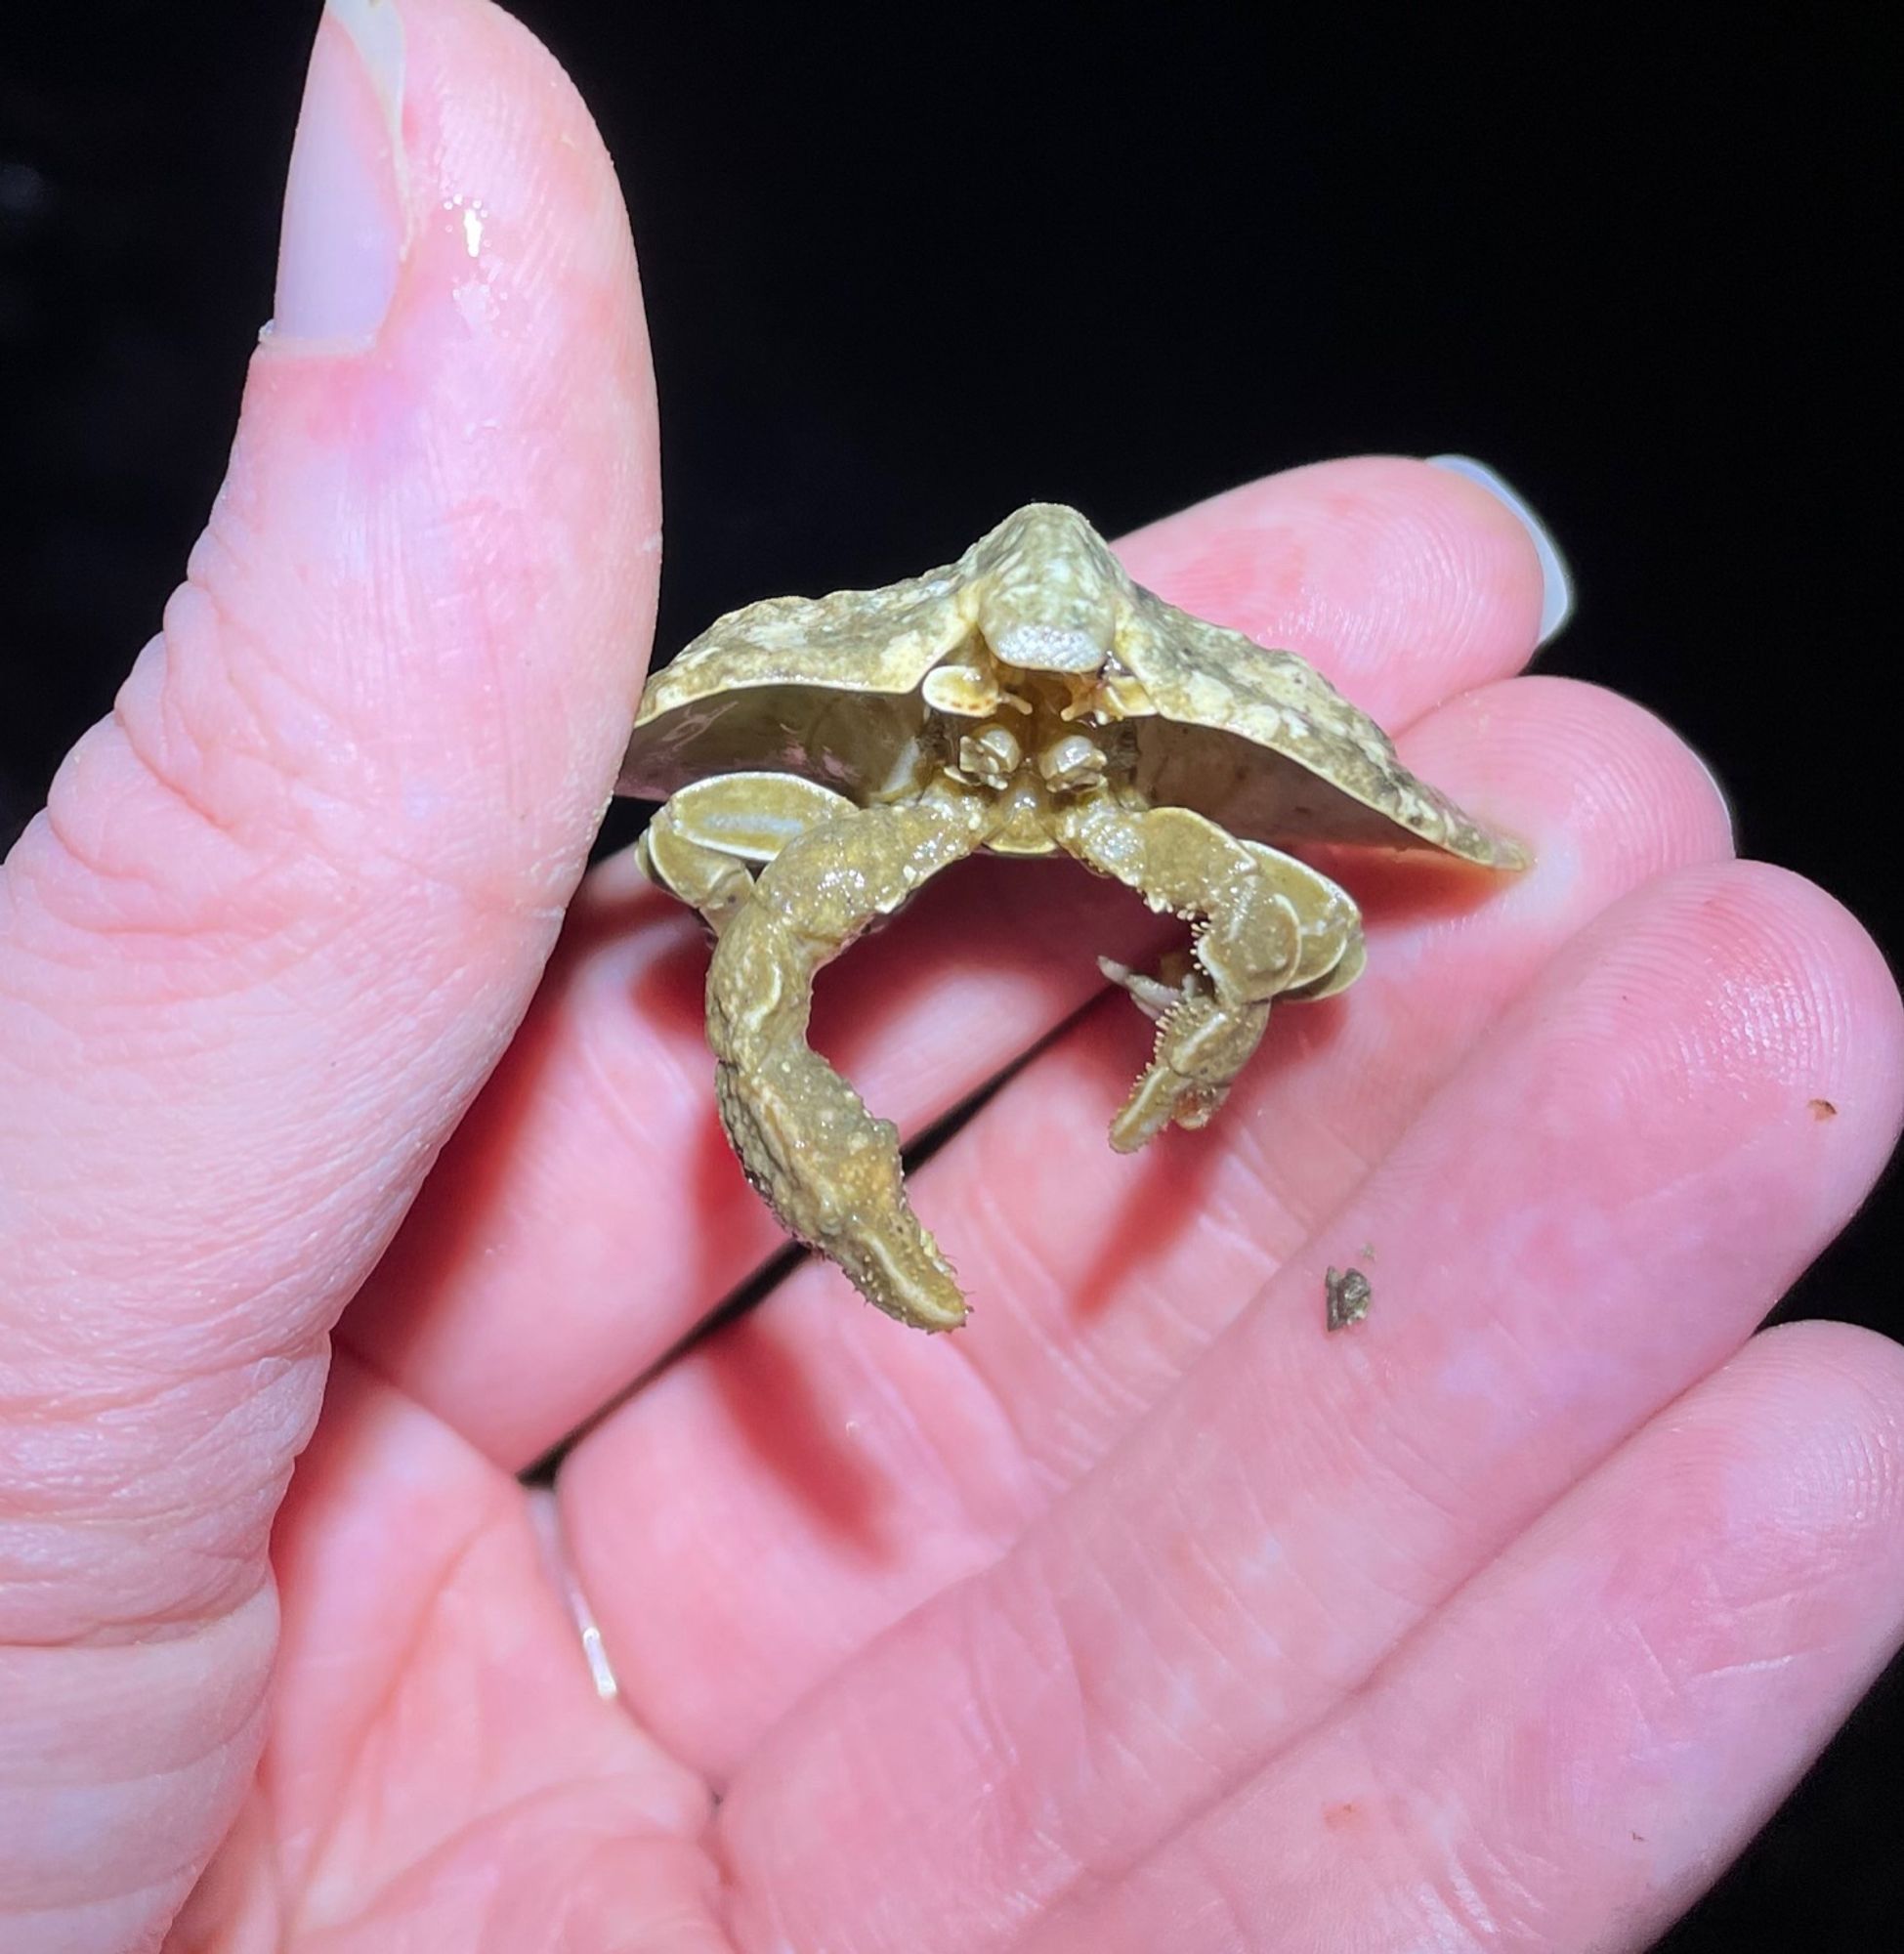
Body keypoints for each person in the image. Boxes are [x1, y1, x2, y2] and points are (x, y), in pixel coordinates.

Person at [5, 4, 1899, 1949]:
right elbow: (731, 937)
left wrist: (1222, 994)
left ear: (1129, 693)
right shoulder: (901, 732)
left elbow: (1322, 904)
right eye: (1009, 690)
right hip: (889, 792)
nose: (1038, 721)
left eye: (1073, 701)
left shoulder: (1136, 751)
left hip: (1091, 805)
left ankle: (1176, 1023)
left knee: (1307, 919)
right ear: (943, 670)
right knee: (727, 922)